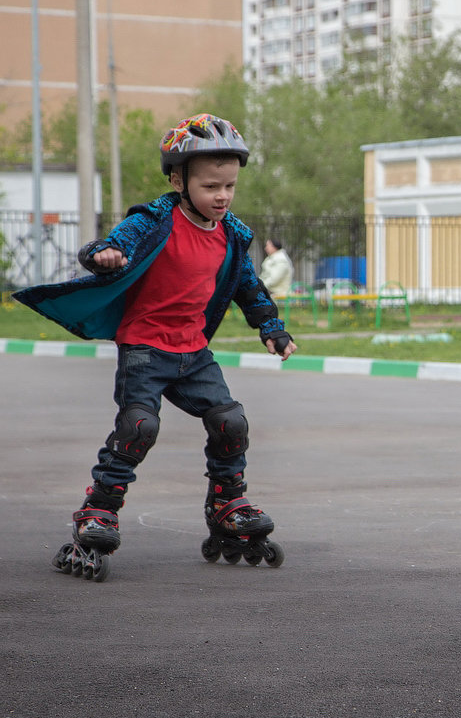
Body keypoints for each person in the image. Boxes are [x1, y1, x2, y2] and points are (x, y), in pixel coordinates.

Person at [14, 113, 295, 581]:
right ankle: (98, 511)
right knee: (138, 426)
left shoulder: (232, 234)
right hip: (145, 346)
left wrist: (272, 328)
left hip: (193, 351)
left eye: (229, 185)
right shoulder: (153, 220)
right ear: (178, 179)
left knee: (230, 421)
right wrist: (101, 255)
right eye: (210, 186)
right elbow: (109, 245)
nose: (221, 195)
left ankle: (228, 503)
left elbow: (250, 287)